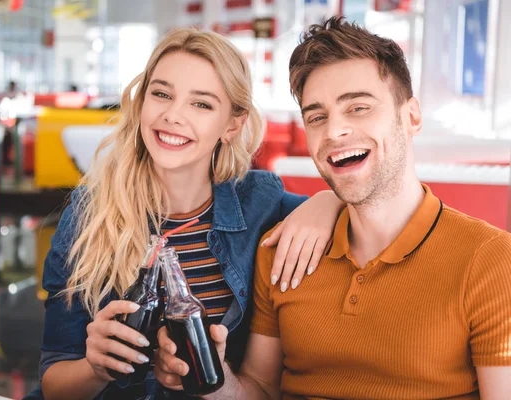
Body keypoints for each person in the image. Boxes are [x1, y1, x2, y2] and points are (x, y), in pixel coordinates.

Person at [155, 17, 511, 399]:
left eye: (358, 108)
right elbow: (259, 389)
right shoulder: (282, 251)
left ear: (411, 117)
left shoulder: (490, 260)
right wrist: (217, 377)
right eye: (317, 117)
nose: (334, 131)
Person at [37, 28, 344, 400]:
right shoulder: (90, 215)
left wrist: (329, 201)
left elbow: (359, 209)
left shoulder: (261, 204)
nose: (172, 116)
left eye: (201, 104)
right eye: (162, 94)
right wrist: (95, 368)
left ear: (232, 124)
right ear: (142, 102)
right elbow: (54, 383)